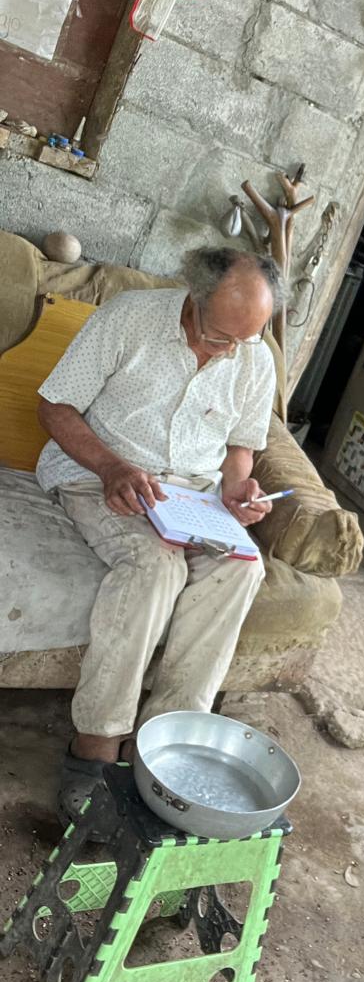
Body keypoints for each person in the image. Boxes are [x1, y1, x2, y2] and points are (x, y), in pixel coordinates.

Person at [36, 247, 280, 827]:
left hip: (192, 495)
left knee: (243, 567)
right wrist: (110, 467)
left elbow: (240, 448)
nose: (230, 351)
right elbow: (55, 406)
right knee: (155, 565)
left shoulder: (254, 355)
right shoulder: (130, 317)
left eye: (245, 340)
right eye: (219, 337)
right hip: (103, 473)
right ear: (194, 298)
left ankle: (164, 744)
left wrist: (239, 490)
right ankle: (95, 746)